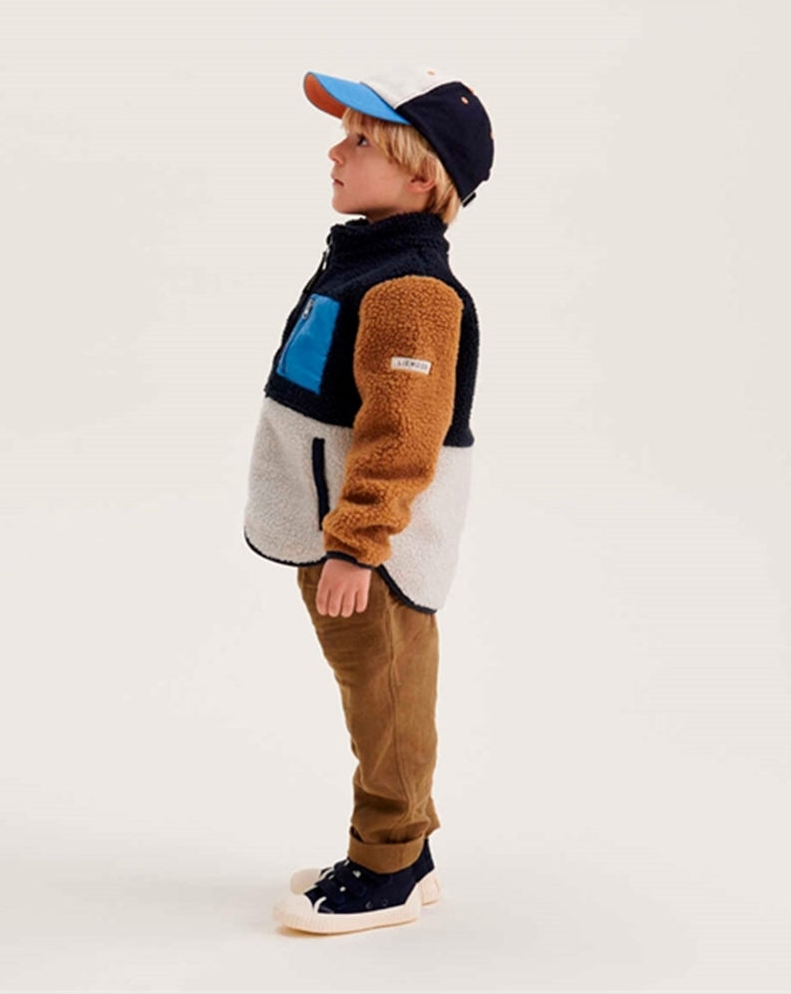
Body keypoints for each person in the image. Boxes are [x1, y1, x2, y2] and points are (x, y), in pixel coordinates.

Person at [243, 66, 494, 935]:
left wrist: (356, 546)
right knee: (376, 691)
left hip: (369, 553)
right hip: (342, 536)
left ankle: (386, 867)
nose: (335, 153)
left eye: (360, 141)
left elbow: (400, 437)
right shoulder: (366, 266)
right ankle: (408, 853)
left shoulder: (410, 292)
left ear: (422, 178)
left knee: (384, 698)